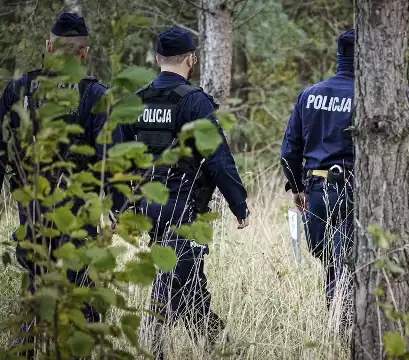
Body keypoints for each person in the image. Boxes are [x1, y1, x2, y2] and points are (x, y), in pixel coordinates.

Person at [121, 27, 249, 359]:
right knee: (178, 281)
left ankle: (210, 345)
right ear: (191, 58)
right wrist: (239, 203)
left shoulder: (136, 100)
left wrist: (120, 206)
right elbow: (217, 156)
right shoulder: (194, 100)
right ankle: (160, 346)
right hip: (181, 206)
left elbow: (115, 157)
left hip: (143, 206)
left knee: (183, 276)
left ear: (158, 59)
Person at [0, 12, 121, 358]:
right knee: (80, 288)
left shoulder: (18, 90)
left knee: (36, 286)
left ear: (49, 46)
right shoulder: (95, 94)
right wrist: (116, 207)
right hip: (78, 211)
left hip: (31, 210)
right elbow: (109, 158)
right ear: (84, 52)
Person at [280, 29, 355, 309]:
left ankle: (336, 321)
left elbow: (289, 152)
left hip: (315, 192)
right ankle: (342, 322)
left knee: (331, 260)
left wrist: (297, 188)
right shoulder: (371, 98)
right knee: (346, 262)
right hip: (352, 190)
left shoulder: (309, 94)